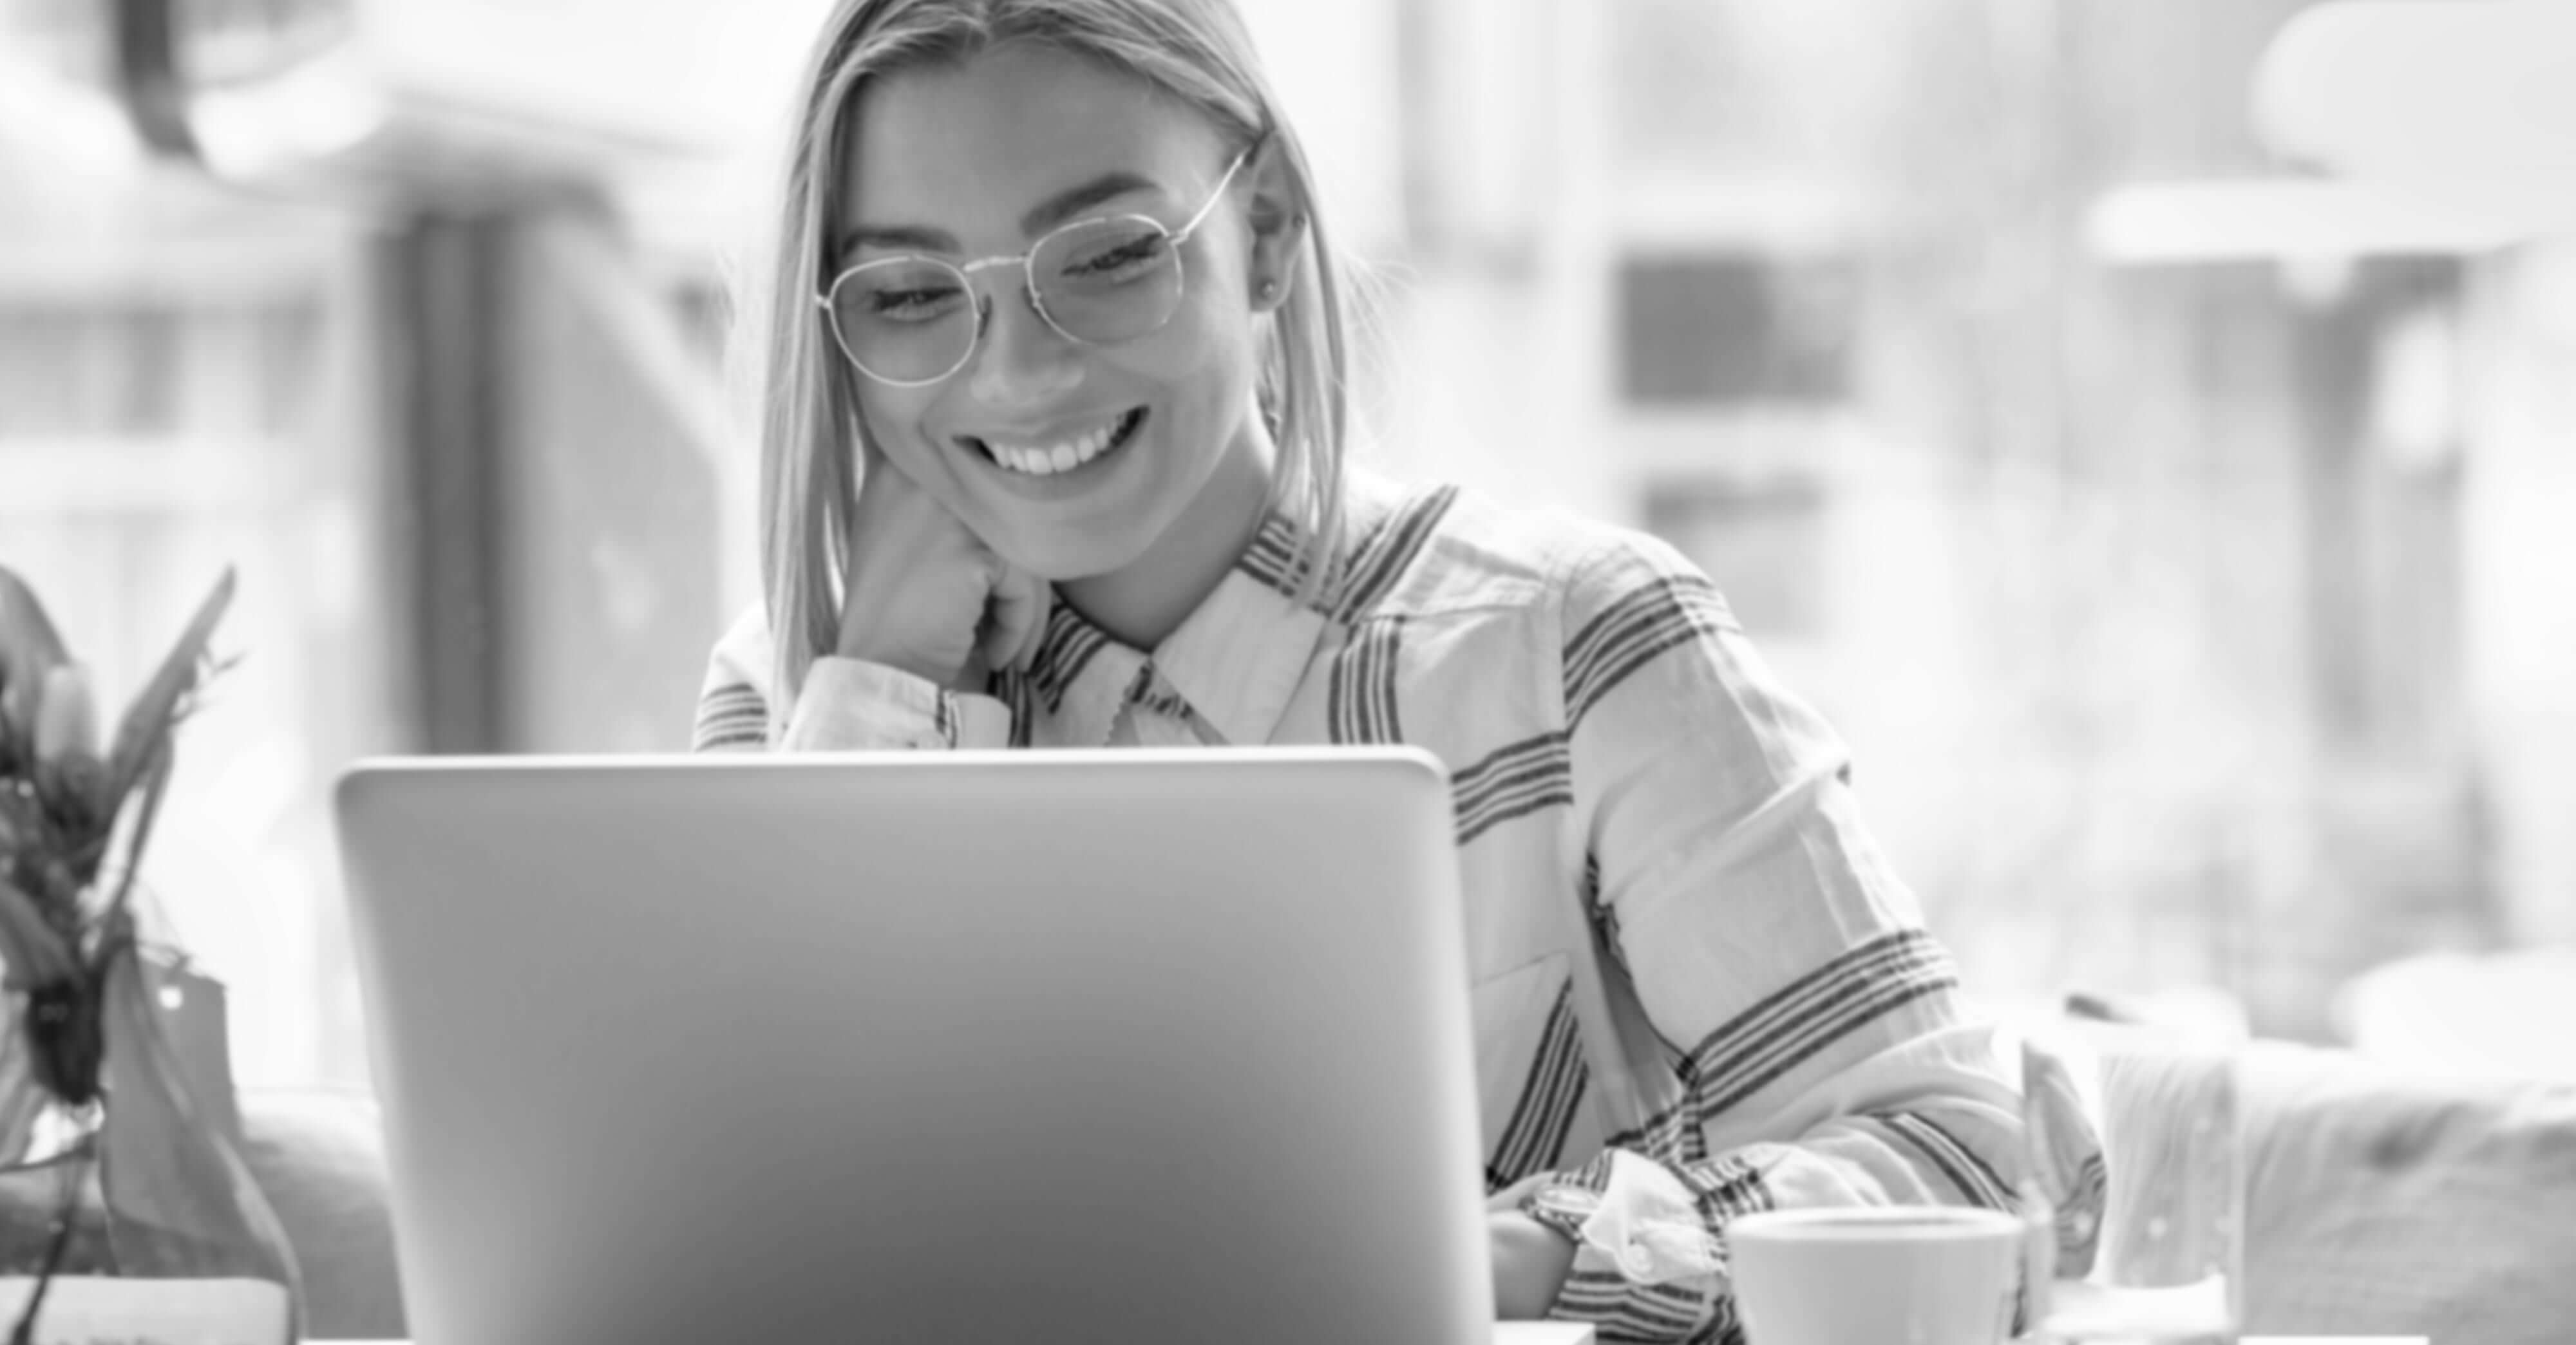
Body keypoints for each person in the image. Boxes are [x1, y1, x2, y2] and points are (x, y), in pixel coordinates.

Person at [692, 0, 2105, 1338]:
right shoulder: (797, 696)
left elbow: (1962, 1163)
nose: (1017, 375)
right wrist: (878, 695)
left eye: (1108, 257)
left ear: (1263, 233)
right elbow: (721, 1252)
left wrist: (1513, 1256)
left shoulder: (1572, 649)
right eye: (909, 293)